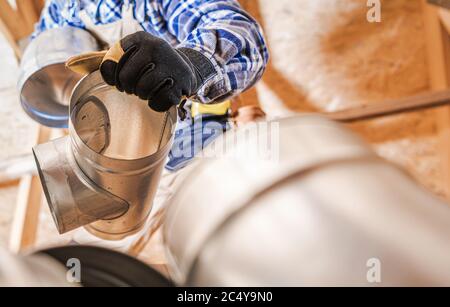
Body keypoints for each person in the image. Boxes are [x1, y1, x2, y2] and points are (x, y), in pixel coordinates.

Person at [33, 0, 269, 250]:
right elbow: (42, 63)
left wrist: (193, 63)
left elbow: (243, 36)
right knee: (85, 264)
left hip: (190, 141)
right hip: (113, 160)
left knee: (230, 245)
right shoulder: (62, 8)